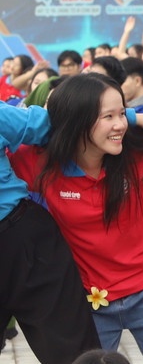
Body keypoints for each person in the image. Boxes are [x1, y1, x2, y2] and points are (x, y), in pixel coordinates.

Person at [10, 76, 143, 364]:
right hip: (90, 299)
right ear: (77, 122)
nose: (120, 124)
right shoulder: (40, 162)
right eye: (108, 116)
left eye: (123, 113)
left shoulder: (136, 149)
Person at [0, 100, 107, 363]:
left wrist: (127, 117)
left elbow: (57, 124)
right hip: (20, 234)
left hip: (22, 238)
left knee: (74, 354)